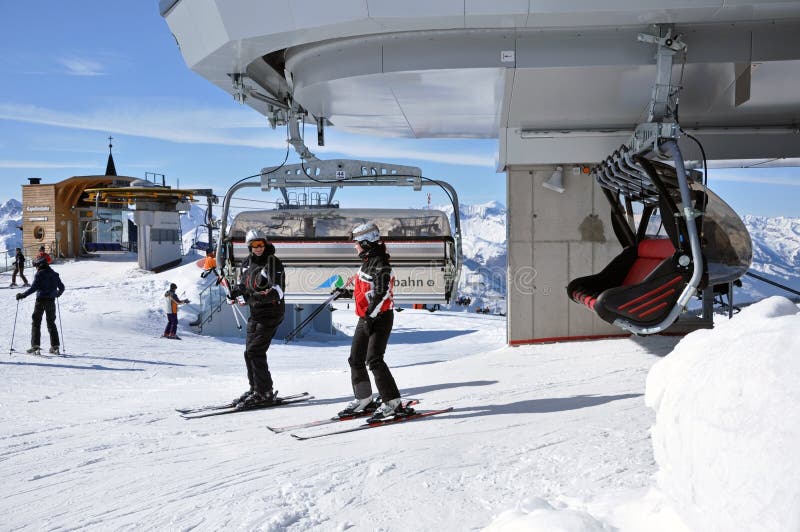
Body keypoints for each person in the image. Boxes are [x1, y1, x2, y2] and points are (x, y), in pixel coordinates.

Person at [335, 222, 414, 422]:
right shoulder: (368, 261)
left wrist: (370, 317)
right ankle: (364, 399)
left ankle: (392, 402)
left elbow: (382, 293)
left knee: (374, 359)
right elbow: (366, 290)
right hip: (366, 317)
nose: (355, 246)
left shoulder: (381, 263)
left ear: (366, 242)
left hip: (380, 317)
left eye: (357, 243)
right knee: (355, 359)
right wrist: (345, 292)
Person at [227, 229, 286, 408]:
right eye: (254, 245)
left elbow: (278, 292)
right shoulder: (247, 262)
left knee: (255, 351)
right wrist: (235, 293)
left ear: (265, 244)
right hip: (256, 313)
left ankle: (265, 392)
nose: (258, 248)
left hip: (271, 312)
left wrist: (250, 298)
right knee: (249, 352)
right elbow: (242, 285)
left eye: (261, 244)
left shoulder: (273, 263)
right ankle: (255, 389)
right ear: (249, 247)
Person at [16, 256, 65, 354]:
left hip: (40, 301)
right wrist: (57, 294)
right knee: (51, 323)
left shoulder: (39, 274)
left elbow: (33, 288)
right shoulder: (55, 274)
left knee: (36, 322)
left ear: (40, 265)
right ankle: (55, 347)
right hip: (51, 301)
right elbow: (62, 287)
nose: (36, 268)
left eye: (36, 266)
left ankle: (35, 346)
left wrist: (23, 295)